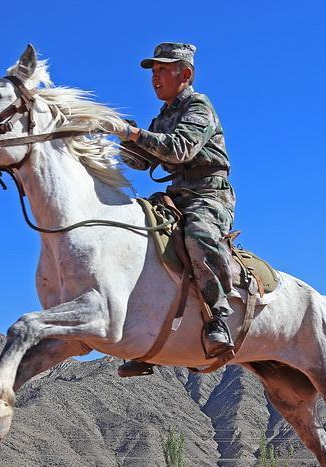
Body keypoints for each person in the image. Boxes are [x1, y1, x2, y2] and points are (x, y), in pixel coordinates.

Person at [109, 42, 238, 376]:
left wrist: (134, 133)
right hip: (177, 194)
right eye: (153, 71)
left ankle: (217, 317)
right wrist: (112, 134)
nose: (155, 77)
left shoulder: (199, 106)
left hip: (209, 195)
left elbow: (179, 149)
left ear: (186, 73)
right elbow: (142, 161)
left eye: (163, 69)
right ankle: (147, 333)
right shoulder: (162, 117)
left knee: (198, 234)